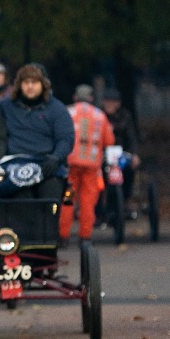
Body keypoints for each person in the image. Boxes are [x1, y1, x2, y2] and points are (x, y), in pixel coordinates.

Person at [0, 64, 74, 199]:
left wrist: (56, 157)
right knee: (21, 207)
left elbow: (66, 138)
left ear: (43, 85)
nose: (30, 86)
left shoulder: (57, 109)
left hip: (47, 163)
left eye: (35, 82)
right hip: (15, 164)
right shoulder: (5, 107)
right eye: (26, 82)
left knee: (50, 205)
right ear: (19, 85)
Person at [58, 85, 115, 243]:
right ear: (91, 98)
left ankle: (63, 235)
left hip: (71, 166)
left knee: (68, 199)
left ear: (75, 97)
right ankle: (85, 236)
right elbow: (109, 141)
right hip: (91, 167)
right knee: (88, 201)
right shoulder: (100, 115)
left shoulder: (67, 112)